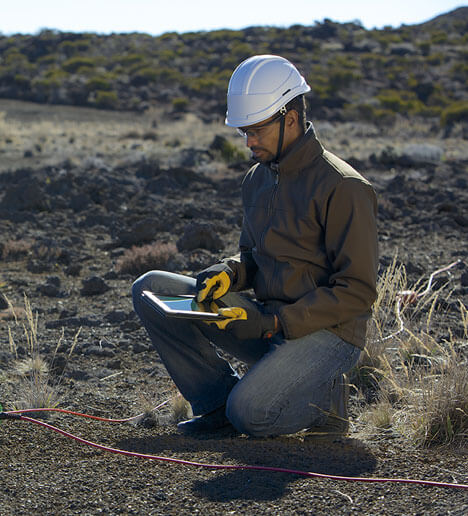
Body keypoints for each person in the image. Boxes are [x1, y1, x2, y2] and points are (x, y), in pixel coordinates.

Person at [131, 55, 378, 440]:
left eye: (257, 131)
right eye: (243, 132)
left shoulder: (344, 187)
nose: (248, 142)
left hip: (328, 336)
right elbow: (252, 255)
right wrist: (229, 271)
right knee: (151, 288)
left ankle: (325, 400)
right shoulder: (256, 179)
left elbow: (358, 293)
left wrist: (278, 323)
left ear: (290, 119)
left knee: (251, 415)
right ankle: (216, 406)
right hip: (266, 322)